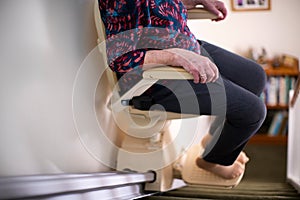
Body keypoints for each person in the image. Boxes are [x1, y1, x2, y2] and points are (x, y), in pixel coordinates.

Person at [98, 0, 266, 180]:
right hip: (158, 77)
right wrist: (174, 57)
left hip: (185, 46)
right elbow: (119, 59)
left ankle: (212, 140)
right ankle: (211, 161)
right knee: (253, 112)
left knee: (255, 76)